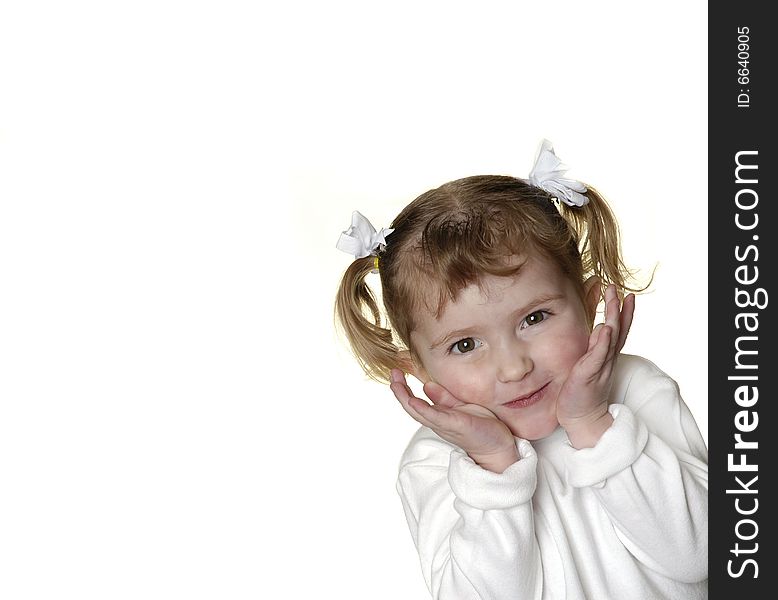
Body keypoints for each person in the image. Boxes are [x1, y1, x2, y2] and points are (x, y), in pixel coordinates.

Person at [334, 140, 708, 600]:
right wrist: (494, 466)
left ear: (590, 303)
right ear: (418, 369)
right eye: (465, 344)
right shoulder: (433, 461)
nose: (514, 367)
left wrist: (593, 424)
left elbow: (700, 555)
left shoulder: (637, 390)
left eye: (535, 318)